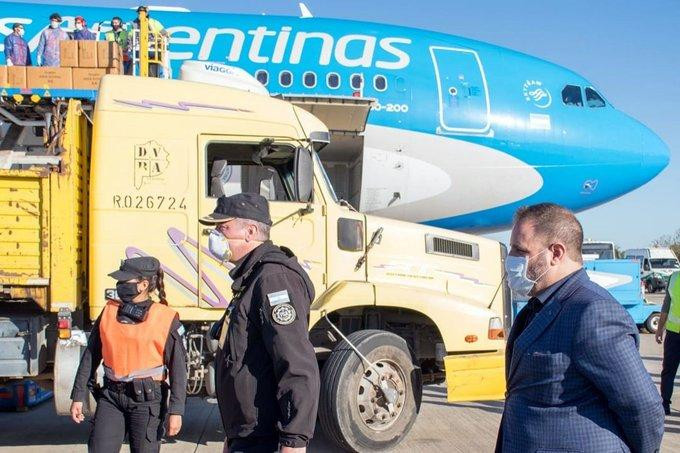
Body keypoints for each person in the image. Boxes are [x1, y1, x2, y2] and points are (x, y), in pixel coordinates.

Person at [496, 203, 664, 453]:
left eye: (520, 250)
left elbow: (642, 406)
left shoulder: (592, 311)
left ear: (555, 253)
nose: (512, 259)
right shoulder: (538, 305)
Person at [199, 193, 320, 453]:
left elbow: (296, 363)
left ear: (250, 231)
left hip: (264, 438)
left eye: (223, 228)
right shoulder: (251, 278)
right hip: (246, 435)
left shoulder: (273, 279)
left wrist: (294, 440)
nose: (216, 235)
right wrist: (233, 435)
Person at [69, 256, 187, 452]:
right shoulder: (108, 311)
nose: (119, 285)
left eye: (125, 281)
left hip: (147, 401)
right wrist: (78, 395)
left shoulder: (166, 318)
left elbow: (178, 369)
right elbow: (90, 356)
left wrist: (176, 411)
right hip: (111, 397)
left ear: (143, 285)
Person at [656, 269, 680, 415]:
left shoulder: (674, 277)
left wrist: (660, 329)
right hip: (672, 333)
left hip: (673, 334)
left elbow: (666, 306)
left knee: (668, 371)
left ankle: (665, 403)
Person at [131, 6, 168, 77]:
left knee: (153, 71)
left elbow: (164, 34)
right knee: (143, 69)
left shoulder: (154, 22)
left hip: (154, 48)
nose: (140, 14)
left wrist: (157, 41)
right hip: (140, 48)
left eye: (143, 12)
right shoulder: (134, 23)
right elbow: (130, 35)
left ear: (147, 13)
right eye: (139, 13)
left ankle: (153, 78)